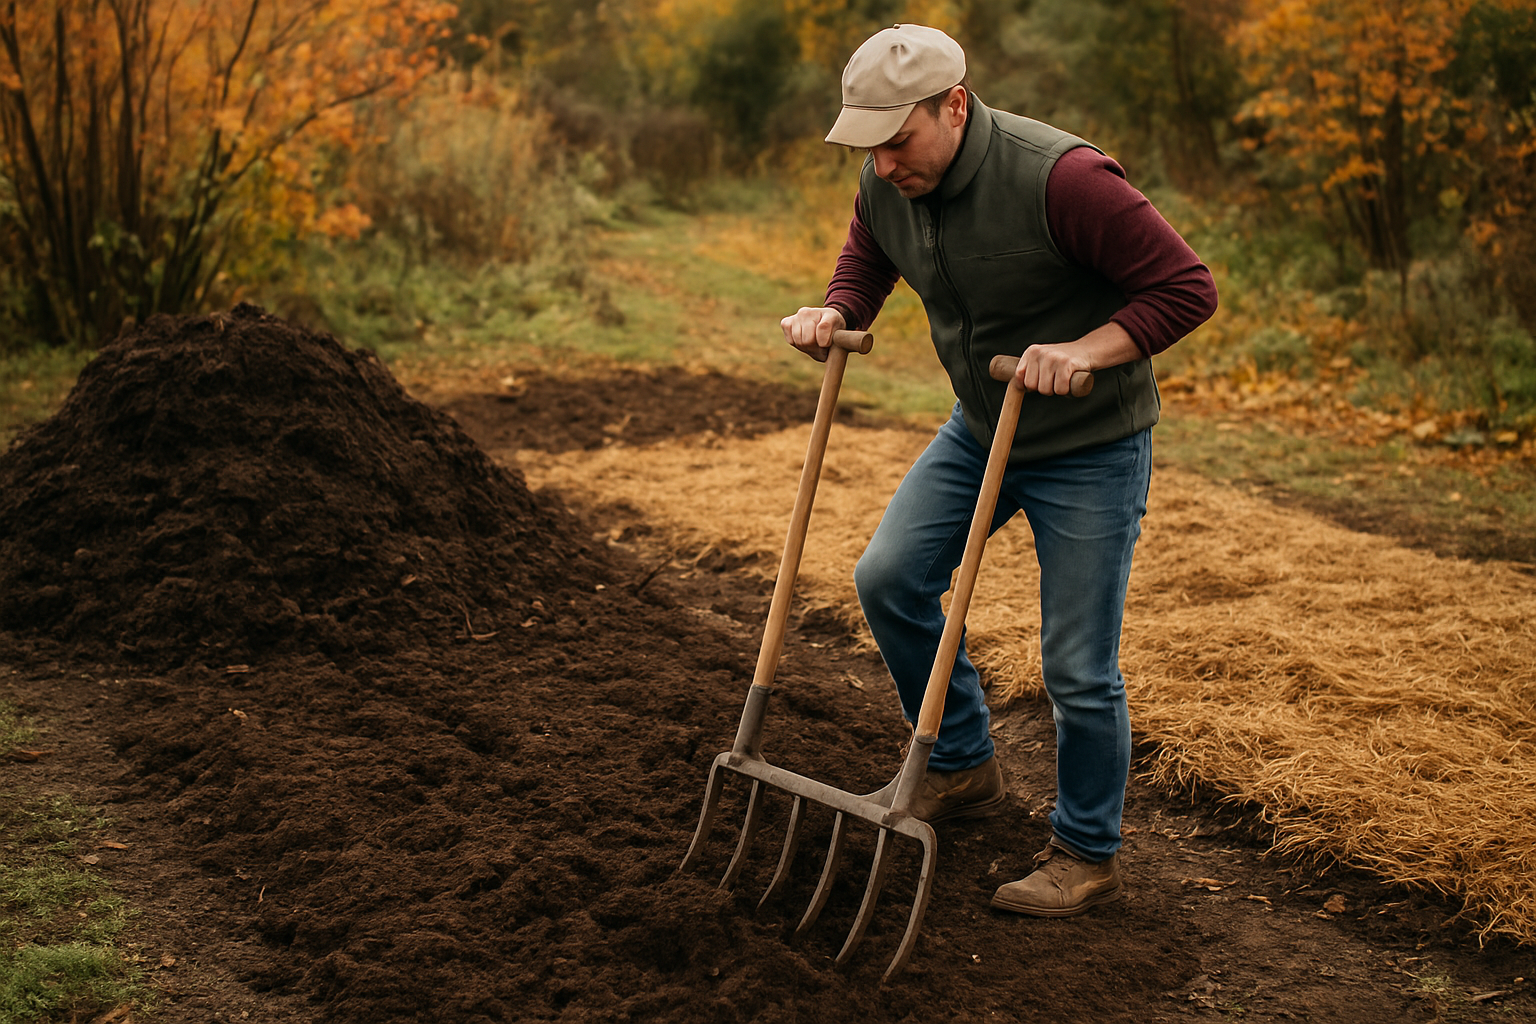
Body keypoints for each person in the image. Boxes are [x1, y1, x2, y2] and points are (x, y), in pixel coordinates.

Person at [781, 24, 1217, 918]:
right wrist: (834, 311)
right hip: (983, 427)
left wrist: (1089, 351)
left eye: (897, 141)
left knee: (1076, 666)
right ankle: (960, 765)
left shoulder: (1063, 178)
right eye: (867, 146)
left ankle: (1086, 850)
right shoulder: (886, 177)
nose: (884, 163)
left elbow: (1185, 288)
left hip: (1089, 445)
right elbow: (871, 253)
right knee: (888, 579)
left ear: (955, 105)